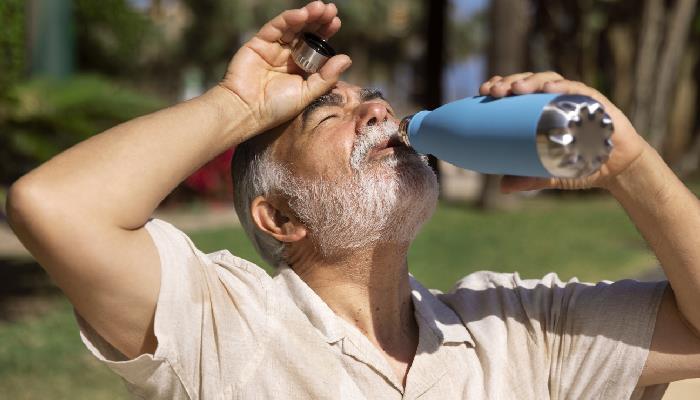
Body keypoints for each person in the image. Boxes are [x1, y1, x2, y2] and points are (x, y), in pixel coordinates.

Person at [6, 2, 700, 399]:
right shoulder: (222, 324)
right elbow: (55, 206)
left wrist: (630, 165)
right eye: (327, 115)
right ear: (281, 218)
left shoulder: (519, 326)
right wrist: (237, 103)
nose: (375, 111)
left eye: (371, 99)